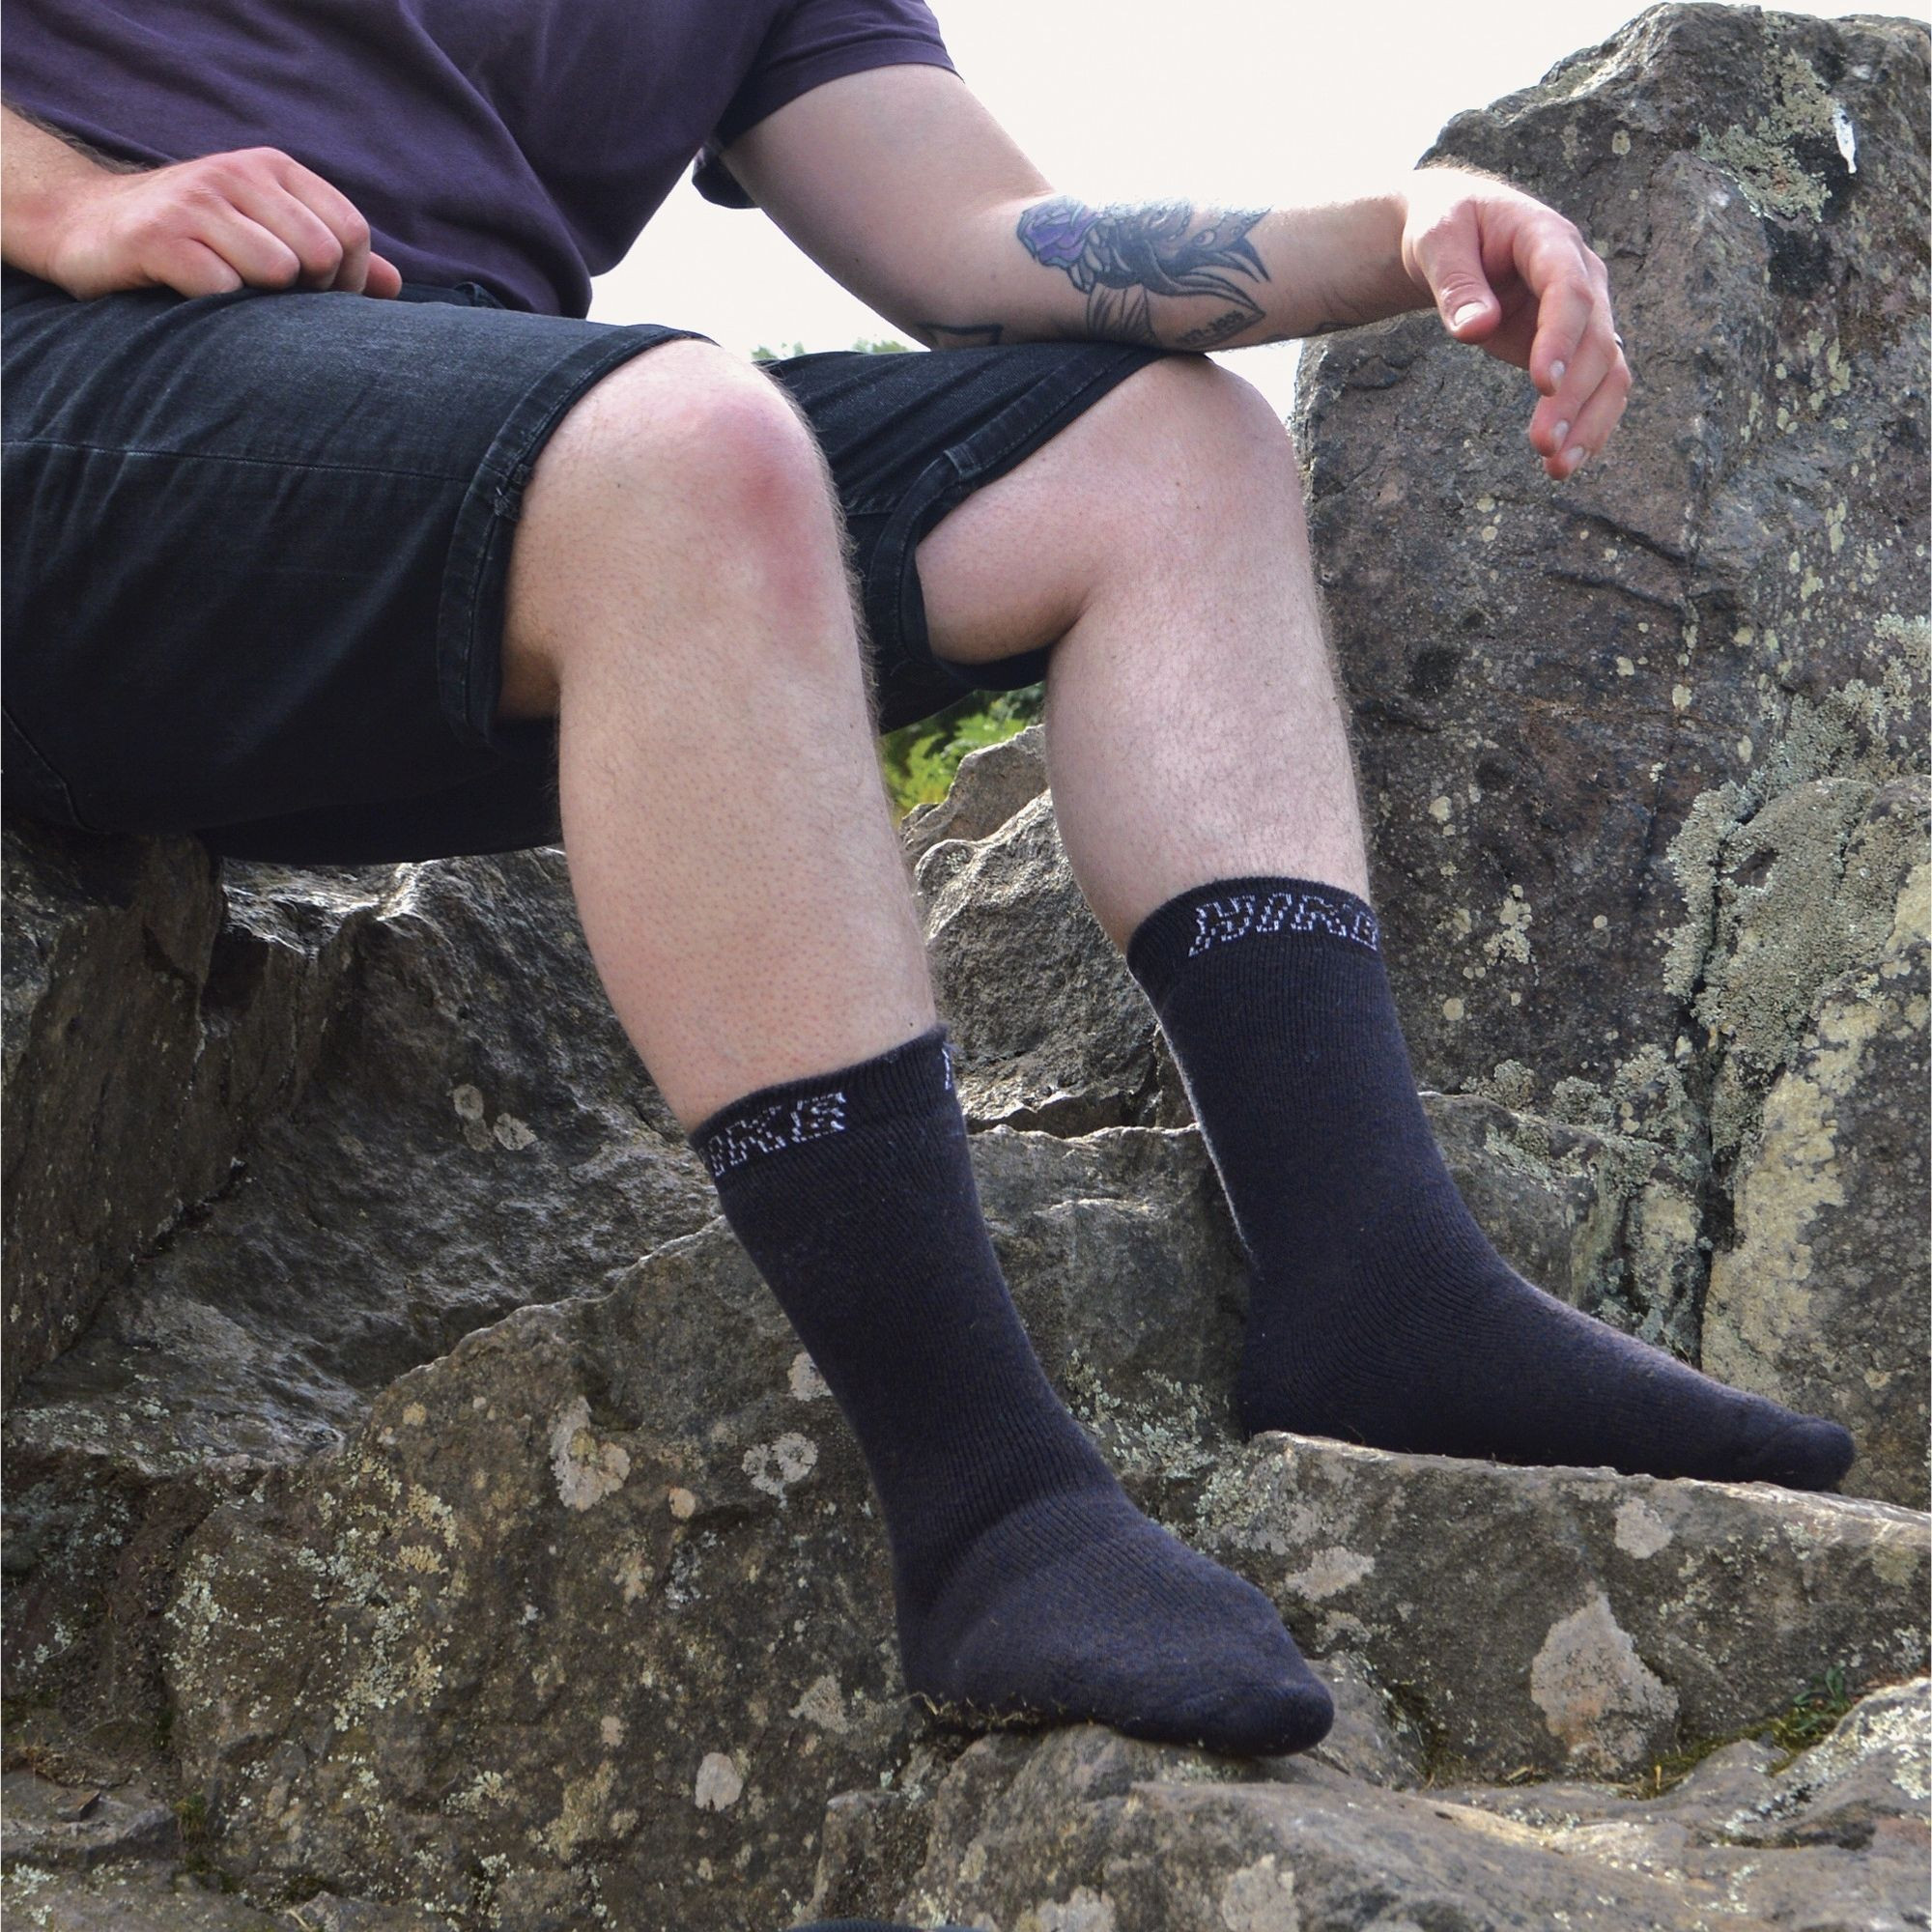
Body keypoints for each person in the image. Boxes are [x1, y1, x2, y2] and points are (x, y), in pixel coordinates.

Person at [1, 0, 1856, 1763]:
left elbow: (976, 238)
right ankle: (990, 1512)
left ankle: (1381, 1287)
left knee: (1164, 448)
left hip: (420, 486)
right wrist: (68, 199)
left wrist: (1400, 226)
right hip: (53, 388)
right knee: (685, 447)